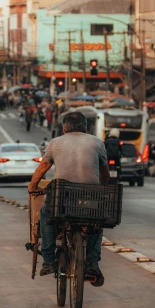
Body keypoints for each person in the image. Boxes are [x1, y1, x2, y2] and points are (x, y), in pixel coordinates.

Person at [28, 111, 109, 281]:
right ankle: (92, 262)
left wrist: (32, 186)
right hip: (89, 196)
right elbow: (105, 174)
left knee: (46, 215)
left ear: (64, 128)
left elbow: (43, 167)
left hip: (61, 196)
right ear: (85, 128)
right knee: (97, 222)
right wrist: (100, 187)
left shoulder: (55, 142)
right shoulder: (97, 142)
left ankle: (49, 261)